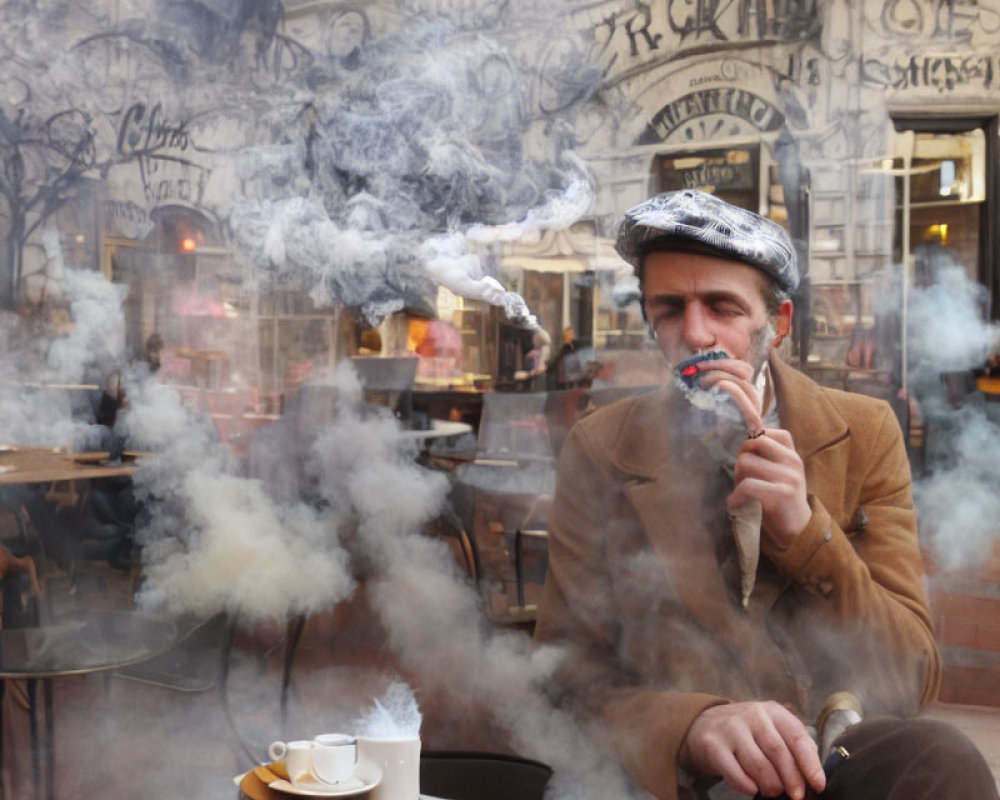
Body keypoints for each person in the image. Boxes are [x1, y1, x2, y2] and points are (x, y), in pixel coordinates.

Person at [534, 189, 997, 800]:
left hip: (828, 760)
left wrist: (806, 532)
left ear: (776, 325)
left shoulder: (863, 431)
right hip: (688, 777)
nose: (694, 332)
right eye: (669, 309)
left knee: (940, 757)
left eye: (722, 307)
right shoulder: (603, 446)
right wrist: (693, 725)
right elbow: (563, 681)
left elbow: (911, 674)